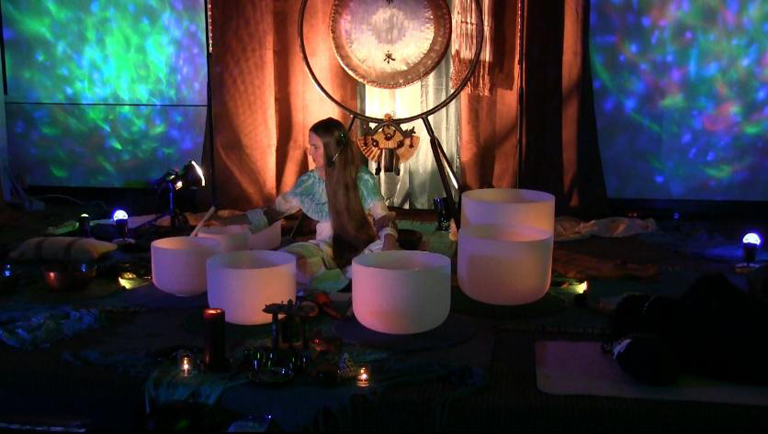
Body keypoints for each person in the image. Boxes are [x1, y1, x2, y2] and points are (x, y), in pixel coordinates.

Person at [212, 117, 398, 291]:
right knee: (287, 262)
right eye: (311, 146)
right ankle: (348, 280)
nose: (310, 152)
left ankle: (349, 277)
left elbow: (384, 218)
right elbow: (272, 214)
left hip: (362, 249)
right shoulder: (309, 183)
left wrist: (389, 244)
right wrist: (224, 222)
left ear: (332, 150)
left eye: (315, 147)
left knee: (388, 260)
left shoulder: (363, 178)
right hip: (324, 249)